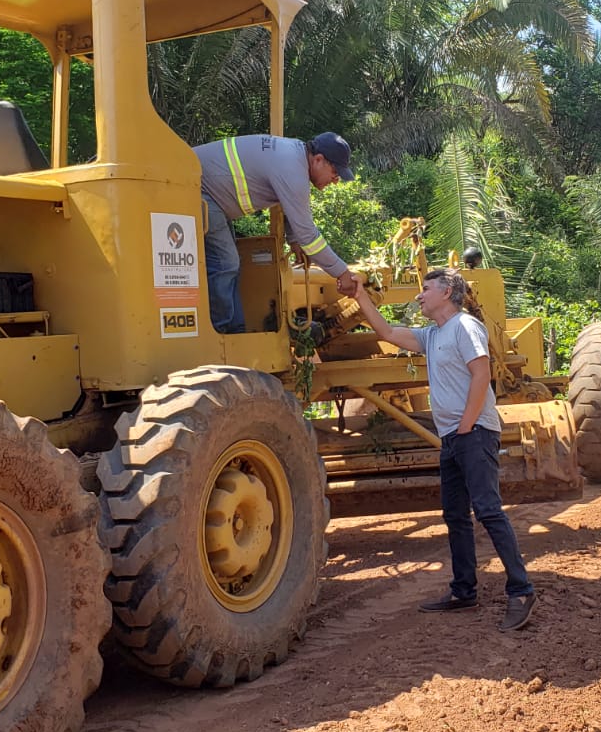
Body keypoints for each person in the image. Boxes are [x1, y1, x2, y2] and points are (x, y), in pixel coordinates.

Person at [352, 268, 537, 630]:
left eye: (426, 288)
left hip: (474, 433)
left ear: (447, 291)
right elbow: (387, 333)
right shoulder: (432, 334)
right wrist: (360, 296)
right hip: (453, 438)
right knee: (455, 515)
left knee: (488, 510)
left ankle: (522, 590)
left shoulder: (465, 327)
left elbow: (482, 374)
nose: (419, 296)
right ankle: (464, 590)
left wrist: (467, 425)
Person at [194, 132, 359, 333]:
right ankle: (221, 333)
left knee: (231, 262)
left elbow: (288, 206)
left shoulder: (292, 156)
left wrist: (294, 239)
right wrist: (342, 273)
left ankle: (235, 330)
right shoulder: (292, 170)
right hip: (199, 189)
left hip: (211, 194)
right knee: (226, 262)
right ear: (318, 160)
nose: (335, 180)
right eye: (335, 172)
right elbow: (309, 237)